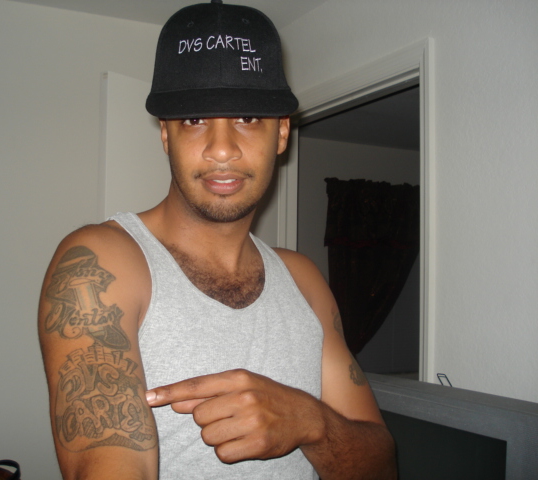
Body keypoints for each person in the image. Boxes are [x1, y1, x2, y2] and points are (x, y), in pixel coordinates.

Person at [38, 1, 397, 479]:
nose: (222, 149)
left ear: (282, 133)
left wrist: (310, 421)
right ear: (165, 135)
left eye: (247, 117)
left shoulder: (305, 280)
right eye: (193, 120)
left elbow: (381, 467)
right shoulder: (102, 263)